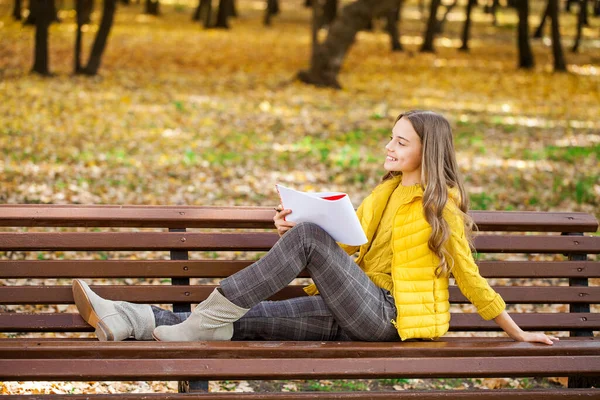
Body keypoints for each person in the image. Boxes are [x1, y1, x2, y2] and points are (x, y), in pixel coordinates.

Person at [72, 110, 558, 345]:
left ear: (425, 151)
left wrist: (518, 333)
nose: (389, 146)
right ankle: (126, 318)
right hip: (355, 305)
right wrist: (294, 228)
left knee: (302, 244)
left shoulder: (440, 207)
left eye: (400, 141)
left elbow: (469, 277)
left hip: (389, 318)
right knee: (242, 321)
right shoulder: (384, 193)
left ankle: (197, 318)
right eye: (389, 136)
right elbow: (346, 250)